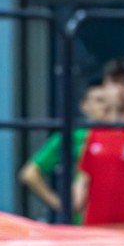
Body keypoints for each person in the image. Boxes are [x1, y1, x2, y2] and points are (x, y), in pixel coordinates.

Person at [19, 84, 112, 222]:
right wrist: (60, 205)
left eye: (110, 102)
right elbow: (30, 173)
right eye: (99, 100)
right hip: (83, 224)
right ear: (84, 105)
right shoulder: (73, 136)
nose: (106, 107)